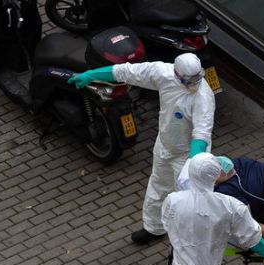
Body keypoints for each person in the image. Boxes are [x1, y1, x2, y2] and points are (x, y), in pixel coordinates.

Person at [68, 53, 215, 245]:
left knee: (191, 205)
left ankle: (188, 248)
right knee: (157, 188)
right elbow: (126, 71)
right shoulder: (163, 73)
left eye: (197, 78)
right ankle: (154, 228)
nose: (195, 84)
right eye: (190, 81)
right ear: (177, 74)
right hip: (165, 145)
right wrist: (91, 75)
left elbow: (201, 134)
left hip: (188, 156)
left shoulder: (203, 97)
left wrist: (192, 166)